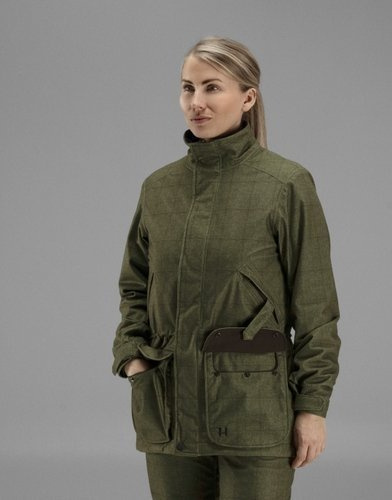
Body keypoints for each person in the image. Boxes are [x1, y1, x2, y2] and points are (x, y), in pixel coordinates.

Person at [111, 36, 341, 500]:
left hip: (254, 415)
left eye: (212, 87)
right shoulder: (159, 189)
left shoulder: (285, 184)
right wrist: (133, 357)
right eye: (187, 88)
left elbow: (315, 309)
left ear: (248, 98)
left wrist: (312, 406)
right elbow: (134, 286)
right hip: (168, 412)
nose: (196, 102)